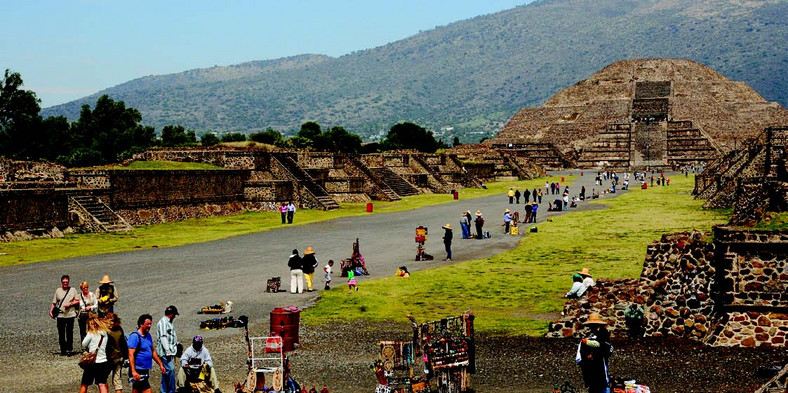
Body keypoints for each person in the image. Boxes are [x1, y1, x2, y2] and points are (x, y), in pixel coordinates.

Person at [128, 314, 167, 393]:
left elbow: (153, 351)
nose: (149, 326)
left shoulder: (148, 335)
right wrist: (133, 371)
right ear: (141, 324)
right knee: (147, 390)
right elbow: (130, 354)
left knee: (136, 390)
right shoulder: (135, 337)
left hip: (145, 369)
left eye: (150, 324)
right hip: (138, 369)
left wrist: (160, 364)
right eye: (147, 324)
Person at [575, 313, 614, 393]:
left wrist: (591, 349)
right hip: (593, 372)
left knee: (602, 387)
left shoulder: (603, 335)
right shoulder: (589, 338)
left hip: (600, 370)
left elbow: (603, 346)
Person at [79, 313, 110, 393]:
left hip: (92, 362)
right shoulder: (105, 334)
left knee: (84, 384)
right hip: (103, 361)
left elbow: (84, 344)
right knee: (102, 384)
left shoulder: (91, 333)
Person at [51, 274, 79, 356]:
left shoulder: (73, 290)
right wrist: (51, 311)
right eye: (64, 282)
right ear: (61, 282)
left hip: (70, 314)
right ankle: (63, 349)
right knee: (61, 333)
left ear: (69, 282)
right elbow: (54, 302)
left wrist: (70, 304)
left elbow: (77, 300)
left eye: (66, 282)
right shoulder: (58, 291)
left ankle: (69, 349)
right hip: (60, 315)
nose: (65, 284)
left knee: (69, 332)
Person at [157, 305, 180, 393]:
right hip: (166, 353)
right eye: (174, 314)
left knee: (166, 373)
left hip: (170, 351)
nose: (174, 316)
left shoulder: (169, 322)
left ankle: (164, 391)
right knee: (170, 372)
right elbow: (163, 337)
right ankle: (170, 391)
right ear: (171, 314)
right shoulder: (163, 322)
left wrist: (176, 345)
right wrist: (168, 351)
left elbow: (171, 337)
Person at [105, 313, 128, 393]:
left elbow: (106, 347)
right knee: (117, 380)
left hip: (110, 358)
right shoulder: (119, 329)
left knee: (103, 379)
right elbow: (124, 344)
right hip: (120, 357)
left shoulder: (107, 331)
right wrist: (126, 357)